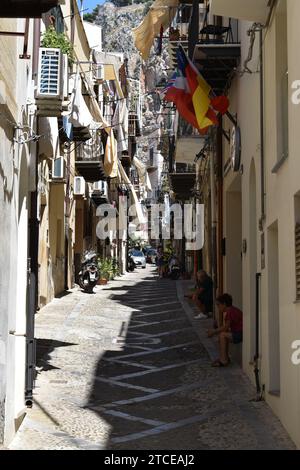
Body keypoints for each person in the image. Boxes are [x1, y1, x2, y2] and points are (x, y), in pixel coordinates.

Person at [207, 293, 243, 367]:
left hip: (240, 334)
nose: (218, 307)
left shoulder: (230, 312)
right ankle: (224, 357)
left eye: (218, 305)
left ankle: (224, 360)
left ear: (224, 304)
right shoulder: (232, 310)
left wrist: (214, 332)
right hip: (238, 332)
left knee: (222, 335)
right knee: (223, 334)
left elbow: (226, 327)